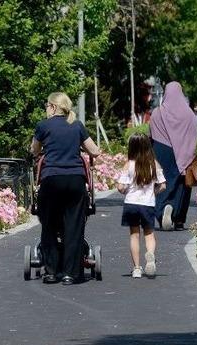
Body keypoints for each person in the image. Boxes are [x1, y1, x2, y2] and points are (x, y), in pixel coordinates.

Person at [31, 92, 102, 285]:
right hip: (74, 181)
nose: (46, 108)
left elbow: (34, 150)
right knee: (74, 226)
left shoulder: (43, 126)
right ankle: (71, 273)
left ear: (53, 107)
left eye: (47, 105)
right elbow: (94, 150)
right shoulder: (77, 125)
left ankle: (52, 272)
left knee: (50, 225)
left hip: (51, 180)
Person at [150, 82, 197, 231]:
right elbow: (196, 132)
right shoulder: (189, 114)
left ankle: (163, 210)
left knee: (162, 180)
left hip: (162, 150)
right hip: (184, 153)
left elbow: (151, 132)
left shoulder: (157, 113)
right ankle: (178, 219)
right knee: (182, 186)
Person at [116, 133, 166, 279]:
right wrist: (153, 192)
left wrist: (124, 190)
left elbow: (121, 187)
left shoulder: (129, 165)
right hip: (147, 204)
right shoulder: (154, 164)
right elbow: (162, 186)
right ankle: (150, 254)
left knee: (134, 235)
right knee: (149, 233)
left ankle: (137, 268)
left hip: (131, 203)